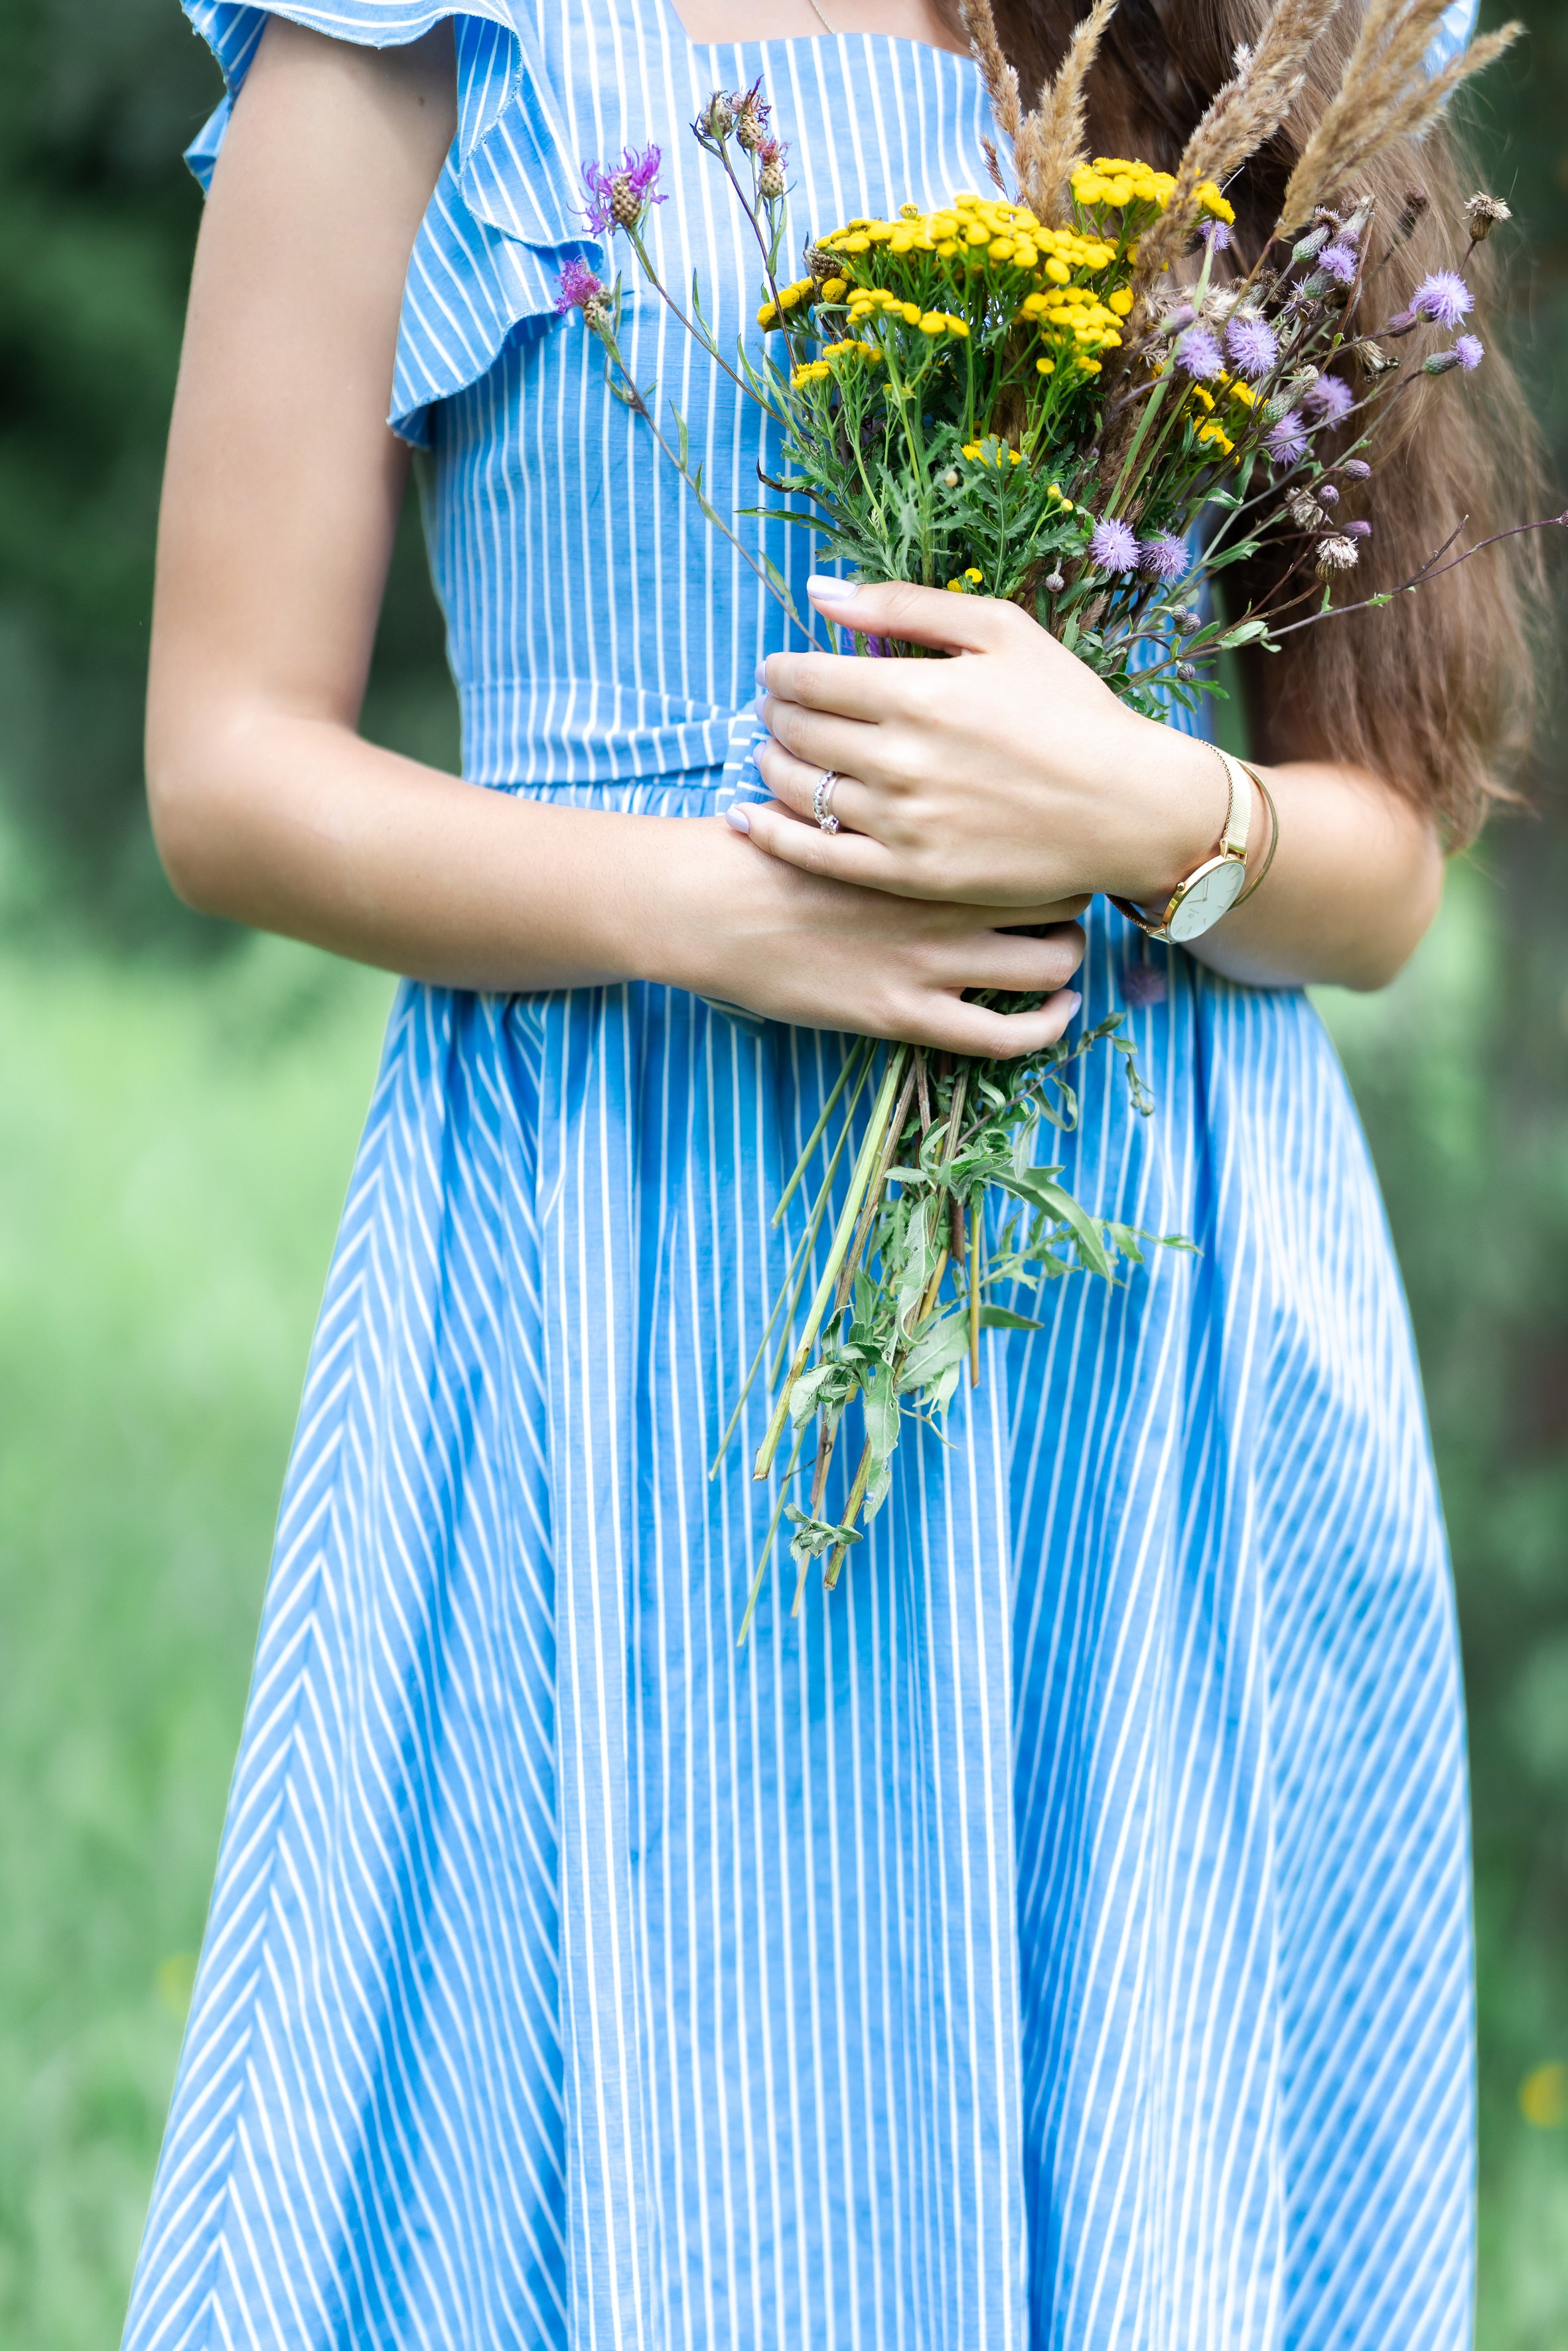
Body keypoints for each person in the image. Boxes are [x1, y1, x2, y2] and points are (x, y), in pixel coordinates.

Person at [124, 1, 1528, 2344]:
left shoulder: (1241, 45)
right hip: (619, 1265)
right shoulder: (407, 39)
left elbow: (1376, 872)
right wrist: (706, 910)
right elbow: (228, 766)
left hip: (1139, 1316)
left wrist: (1132, 810)